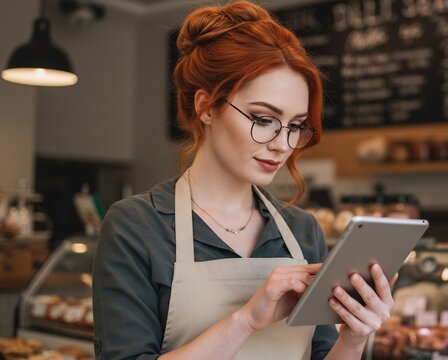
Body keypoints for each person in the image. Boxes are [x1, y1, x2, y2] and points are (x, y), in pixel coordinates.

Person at [92, 2, 397, 359]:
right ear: (206, 107)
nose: (282, 145)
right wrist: (246, 320)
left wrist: (354, 337)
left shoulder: (302, 232)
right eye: (263, 119)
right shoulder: (136, 226)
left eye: (296, 125)